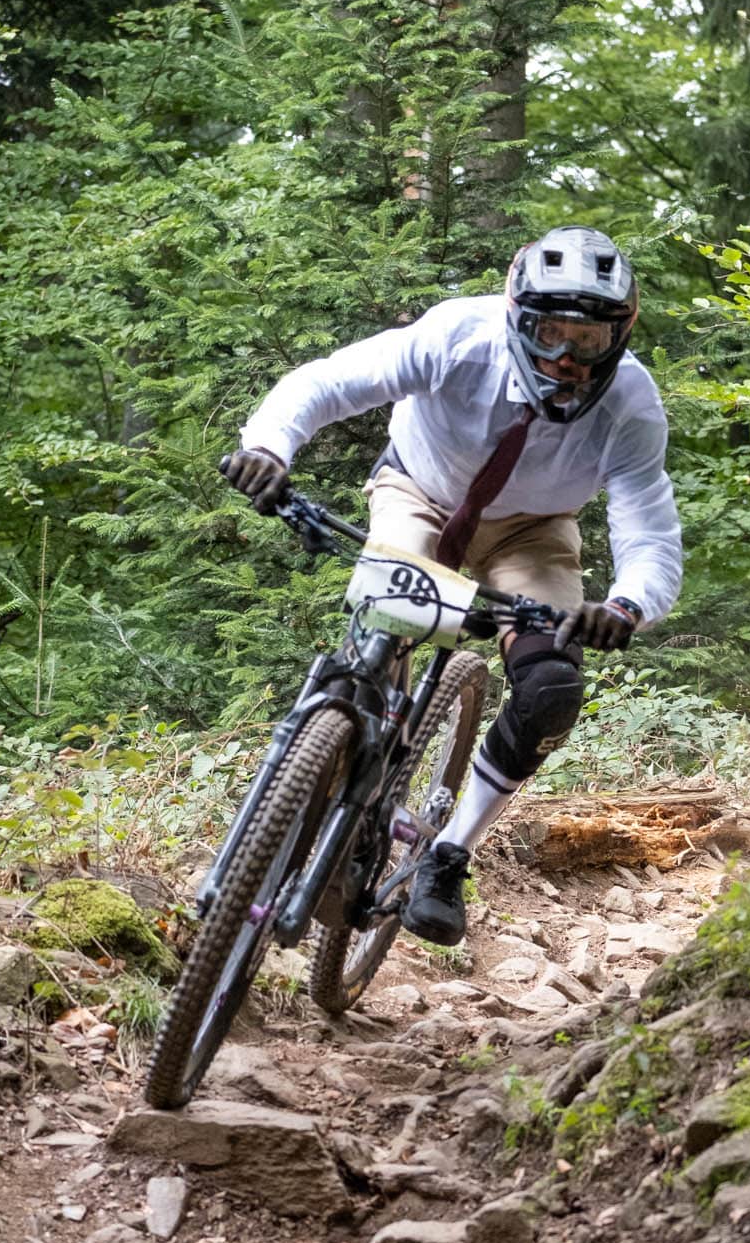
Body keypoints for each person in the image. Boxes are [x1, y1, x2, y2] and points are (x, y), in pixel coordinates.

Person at [220, 225, 682, 945]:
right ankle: (343, 771)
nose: (566, 358)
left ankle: (448, 853)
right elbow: (329, 382)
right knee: (386, 625)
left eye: (588, 341)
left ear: (618, 337)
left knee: (551, 688)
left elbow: (648, 531)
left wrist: (626, 606)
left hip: (533, 529)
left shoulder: (631, 404)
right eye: (550, 333)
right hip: (420, 491)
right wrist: (268, 450)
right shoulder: (457, 337)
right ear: (516, 317)